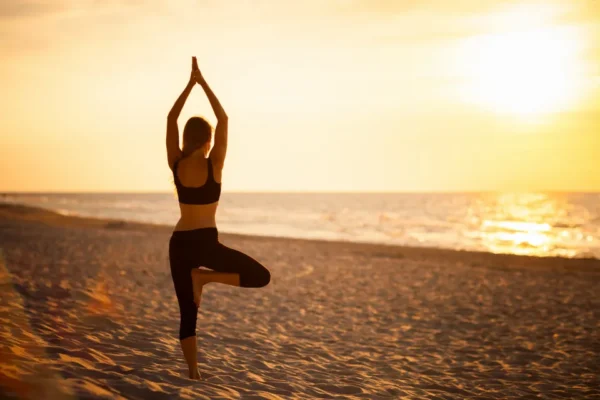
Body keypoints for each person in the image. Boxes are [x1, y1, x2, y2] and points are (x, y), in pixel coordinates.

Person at [166, 57, 271, 380]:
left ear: (187, 138)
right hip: (206, 245)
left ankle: (194, 372)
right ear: (208, 140)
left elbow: (171, 117)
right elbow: (223, 117)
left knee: (188, 312)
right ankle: (207, 278)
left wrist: (189, 86)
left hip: (180, 243)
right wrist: (202, 83)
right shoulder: (216, 165)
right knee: (260, 276)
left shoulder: (176, 163)